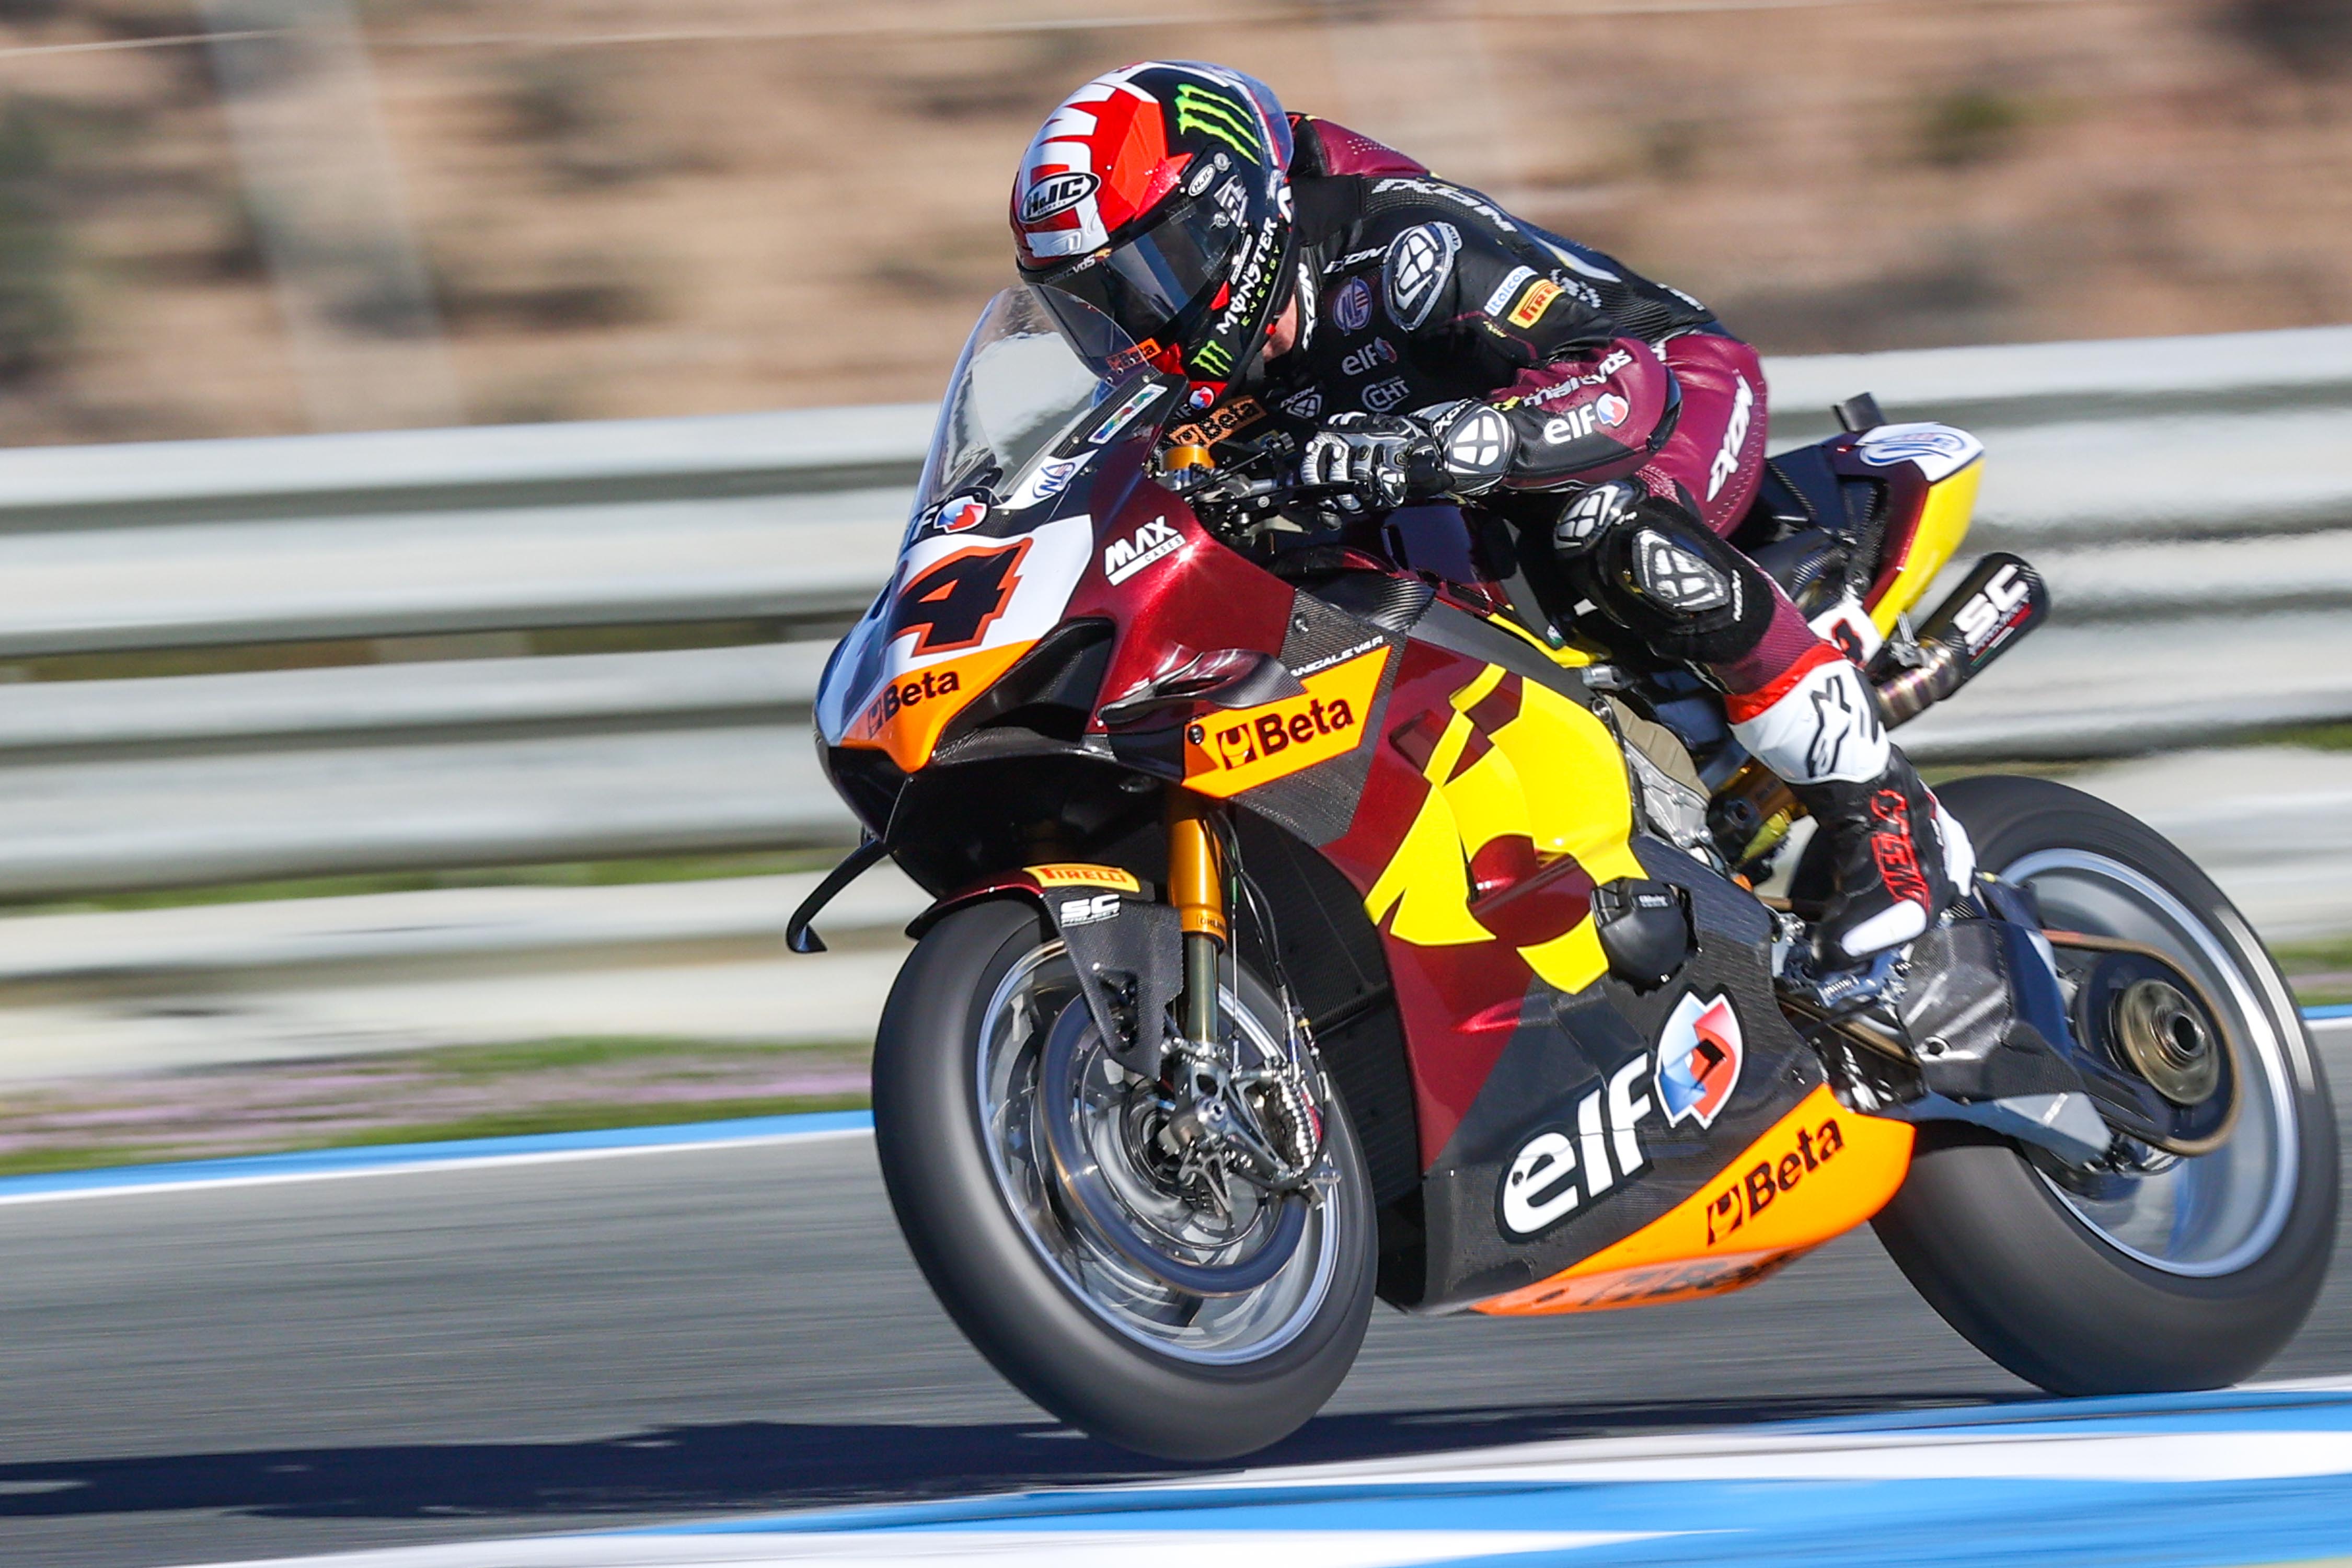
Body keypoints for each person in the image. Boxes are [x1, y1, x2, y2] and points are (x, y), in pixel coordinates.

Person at [1009, 60, 1972, 967]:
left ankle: (1888, 820)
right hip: (1454, 491)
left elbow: (1620, 384)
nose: (1136, 325)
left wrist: (1446, 444)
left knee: (1605, 524)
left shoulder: (1403, 246)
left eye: (1148, 276)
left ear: (1233, 220)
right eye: (1098, 306)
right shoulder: (1193, 388)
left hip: (1668, 386)